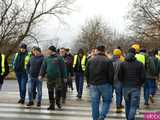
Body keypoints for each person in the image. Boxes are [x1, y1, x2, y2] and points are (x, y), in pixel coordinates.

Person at [86, 45, 114, 120]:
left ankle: (95, 118)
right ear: (104, 51)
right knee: (106, 101)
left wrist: (89, 82)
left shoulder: (90, 60)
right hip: (105, 84)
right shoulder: (108, 60)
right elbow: (111, 74)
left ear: (97, 50)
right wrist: (111, 83)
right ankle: (102, 116)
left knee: (95, 103)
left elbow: (87, 73)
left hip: (93, 84)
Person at [118, 48, 145, 120]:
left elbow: (119, 76)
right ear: (135, 54)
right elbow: (143, 77)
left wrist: (123, 81)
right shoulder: (140, 64)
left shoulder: (123, 64)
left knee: (127, 105)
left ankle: (128, 118)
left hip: (126, 87)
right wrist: (140, 83)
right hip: (136, 87)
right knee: (133, 106)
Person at [39, 46, 67, 110]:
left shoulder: (59, 58)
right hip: (49, 77)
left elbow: (63, 68)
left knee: (58, 90)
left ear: (52, 51)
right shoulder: (46, 58)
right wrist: (41, 75)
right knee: (50, 91)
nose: (48, 51)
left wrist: (65, 77)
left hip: (58, 77)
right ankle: (51, 104)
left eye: (49, 50)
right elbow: (43, 67)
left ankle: (57, 101)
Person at [112, 49, 124, 113]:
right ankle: (118, 105)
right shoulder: (121, 62)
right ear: (119, 55)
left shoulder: (110, 61)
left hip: (110, 80)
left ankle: (107, 105)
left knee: (109, 94)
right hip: (119, 81)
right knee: (119, 94)